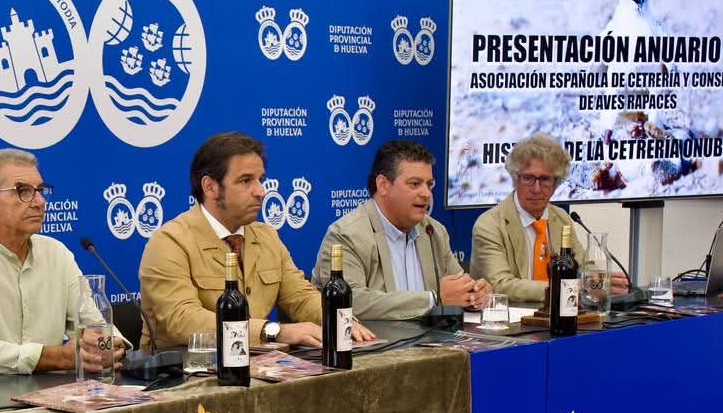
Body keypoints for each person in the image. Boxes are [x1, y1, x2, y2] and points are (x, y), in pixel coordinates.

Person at [138, 132, 375, 349]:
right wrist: (272, 331)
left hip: (258, 367)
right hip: (184, 375)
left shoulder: (266, 236)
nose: (261, 191)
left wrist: (340, 320)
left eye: (260, 179)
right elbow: (182, 320)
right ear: (210, 187)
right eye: (245, 181)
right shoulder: (169, 242)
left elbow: (300, 297)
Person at [0, 149, 126, 375]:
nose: (40, 202)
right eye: (23, 191)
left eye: (40, 190)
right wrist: (59, 357)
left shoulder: (57, 253)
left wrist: (110, 346)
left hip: (46, 394)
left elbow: (96, 326)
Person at [314, 140, 489, 320]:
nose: (426, 194)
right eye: (414, 184)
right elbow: (350, 302)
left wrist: (473, 294)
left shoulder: (433, 231)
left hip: (433, 342)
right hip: (379, 345)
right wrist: (433, 300)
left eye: (429, 185)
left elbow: (457, 289)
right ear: (383, 185)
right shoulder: (346, 235)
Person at [470, 134, 580, 306]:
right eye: (528, 178)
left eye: (545, 179)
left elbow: (583, 268)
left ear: (556, 183)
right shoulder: (489, 225)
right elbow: (501, 286)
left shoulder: (562, 219)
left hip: (559, 318)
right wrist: (562, 288)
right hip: (506, 324)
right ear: (515, 179)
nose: (536, 189)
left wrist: (599, 281)